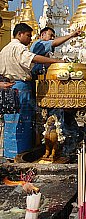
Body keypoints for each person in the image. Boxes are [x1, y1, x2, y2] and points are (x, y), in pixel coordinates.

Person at [0, 23, 64, 154]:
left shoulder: (4, 49)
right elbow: (33, 58)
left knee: (11, 121)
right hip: (21, 88)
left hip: (8, 87)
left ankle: (9, 153)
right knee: (23, 121)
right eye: (28, 35)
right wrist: (55, 61)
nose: (30, 39)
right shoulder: (19, 48)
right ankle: (22, 153)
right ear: (20, 34)